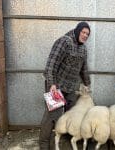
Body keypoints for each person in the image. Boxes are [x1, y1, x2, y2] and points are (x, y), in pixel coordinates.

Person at [39, 21, 91, 150]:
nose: (85, 35)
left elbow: (84, 69)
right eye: (83, 32)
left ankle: (68, 138)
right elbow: (51, 64)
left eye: (87, 34)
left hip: (72, 87)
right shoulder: (64, 42)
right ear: (78, 30)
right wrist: (52, 84)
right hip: (56, 86)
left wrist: (87, 84)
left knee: (71, 114)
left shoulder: (83, 48)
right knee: (52, 116)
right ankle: (44, 144)